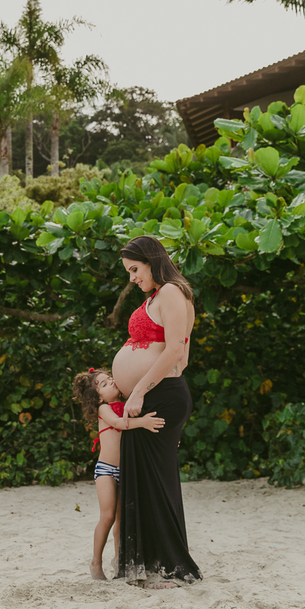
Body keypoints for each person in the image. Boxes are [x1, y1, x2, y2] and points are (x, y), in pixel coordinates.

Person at [111, 235, 202, 587]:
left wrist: (139, 391)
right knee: (145, 481)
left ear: (152, 261)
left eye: (135, 269)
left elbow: (177, 353)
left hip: (157, 396)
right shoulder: (160, 295)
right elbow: (181, 356)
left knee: (154, 484)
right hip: (154, 395)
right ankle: (152, 565)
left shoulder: (172, 293)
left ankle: (167, 567)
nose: (132, 278)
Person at [72, 368, 165, 580]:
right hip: (106, 469)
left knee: (121, 521)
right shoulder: (104, 409)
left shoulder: (129, 405)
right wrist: (143, 422)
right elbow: (117, 423)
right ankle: (96, 562)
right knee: (107, 516)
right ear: (98, 398)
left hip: (127, 469)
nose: (111, 382)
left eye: (110, 379)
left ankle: (119, 560)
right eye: (104, 384)